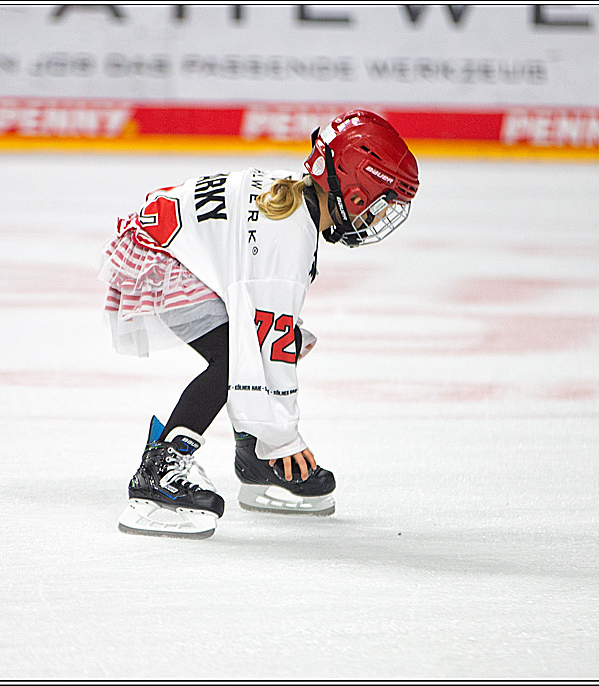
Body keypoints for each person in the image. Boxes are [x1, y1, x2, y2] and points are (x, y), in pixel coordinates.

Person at [97, 110, 420, 538]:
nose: (378, 220)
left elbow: (264, 316)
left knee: (268, 345)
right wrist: (283, 439)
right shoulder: (287, 238)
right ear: (357, 193)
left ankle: (255, 457)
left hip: (162, 246)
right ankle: (161, 469)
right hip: (163, 261)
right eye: (380, 207)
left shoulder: (293, 200)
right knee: (236, 360)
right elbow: (265, 346)